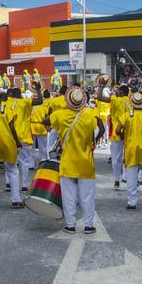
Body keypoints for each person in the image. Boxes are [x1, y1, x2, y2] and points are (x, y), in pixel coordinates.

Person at [49, 86, 104, 233]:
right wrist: (94, 141)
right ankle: (88, 225)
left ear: (68, 100)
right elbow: (102, 128)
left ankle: (70, 225)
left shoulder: (59, 115)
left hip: (67, 162)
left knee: (68, 196)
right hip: (86, 161)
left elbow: (45, 121)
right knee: (87, 196)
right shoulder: (91, 113)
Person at [107, 84, 130, 187]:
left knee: (116, 158)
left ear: (122, 92)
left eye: (118, 91)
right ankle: (126, 176)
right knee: (129, 157)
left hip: (117, 133)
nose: (116, 92)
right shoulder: (132, 101)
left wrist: (102, 86)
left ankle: (116, 180)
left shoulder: (115, 100)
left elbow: (100, 97)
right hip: (130, 133)